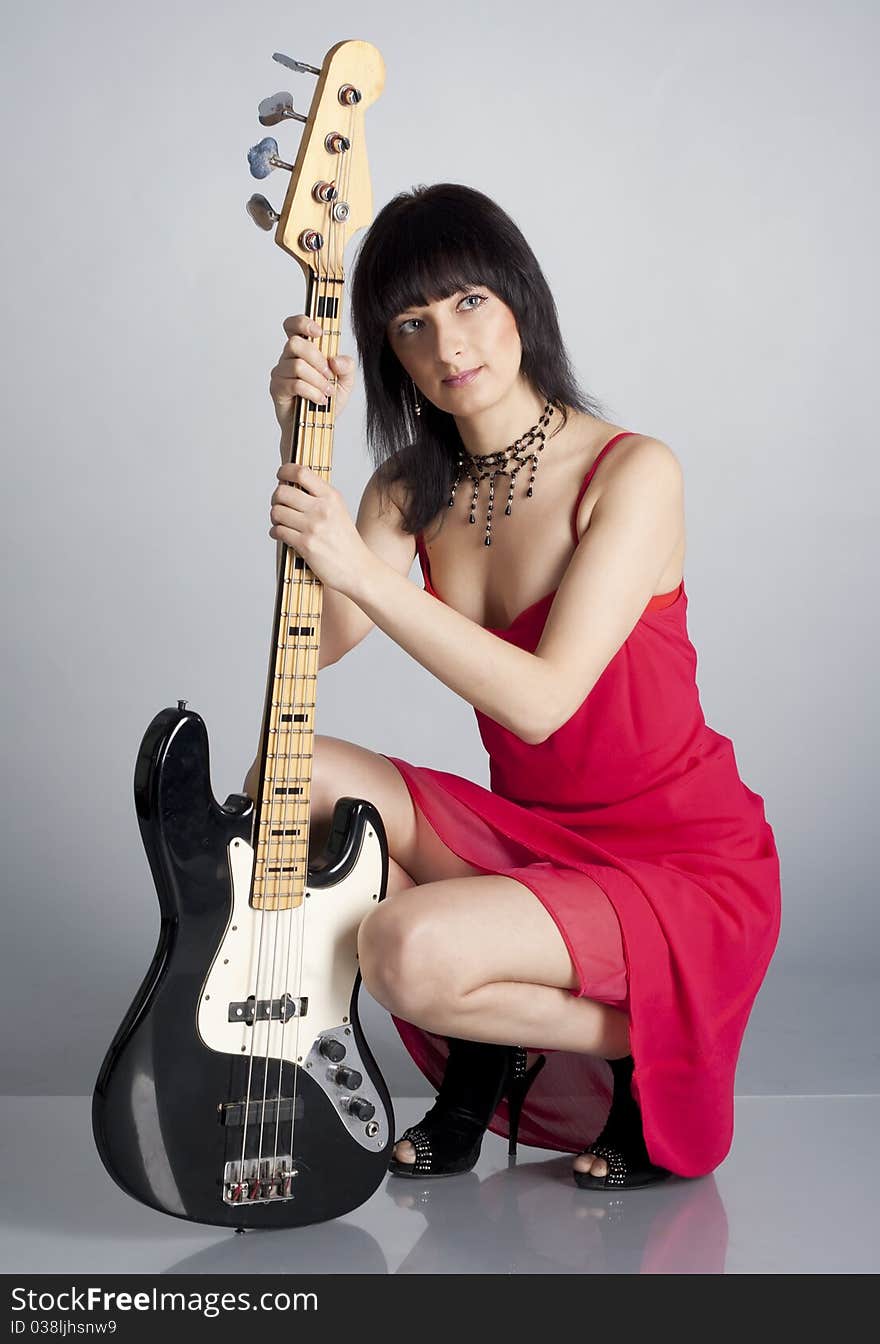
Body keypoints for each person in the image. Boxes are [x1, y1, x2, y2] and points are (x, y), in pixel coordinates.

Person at [245, 183, 782, 1191]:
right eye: (411, 324)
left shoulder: (631, 472)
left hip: (677, 860)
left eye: (468, 303)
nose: (448, 344)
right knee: (288, 767)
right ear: (389, 354)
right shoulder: (410, 489)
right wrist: (296, 435)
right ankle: (491, 1027)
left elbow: (539, 702)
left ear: (520, 300)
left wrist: (363, 570)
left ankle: (637, 1041)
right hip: (535, 838)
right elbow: (310, 653)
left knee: (401, 949)